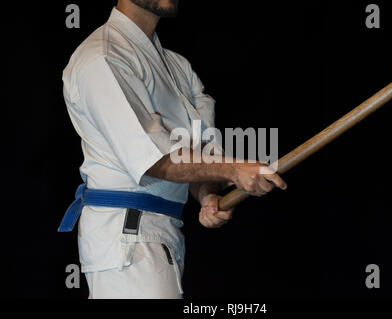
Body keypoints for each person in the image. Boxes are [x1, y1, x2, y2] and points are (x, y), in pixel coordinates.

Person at [60, 0, 287, 299]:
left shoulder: (177, 67)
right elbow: (153, 160)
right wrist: (233, 168)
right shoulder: (102, 58)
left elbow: (195, 153)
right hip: (127, 242)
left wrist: (207, 194)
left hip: (162, 235)